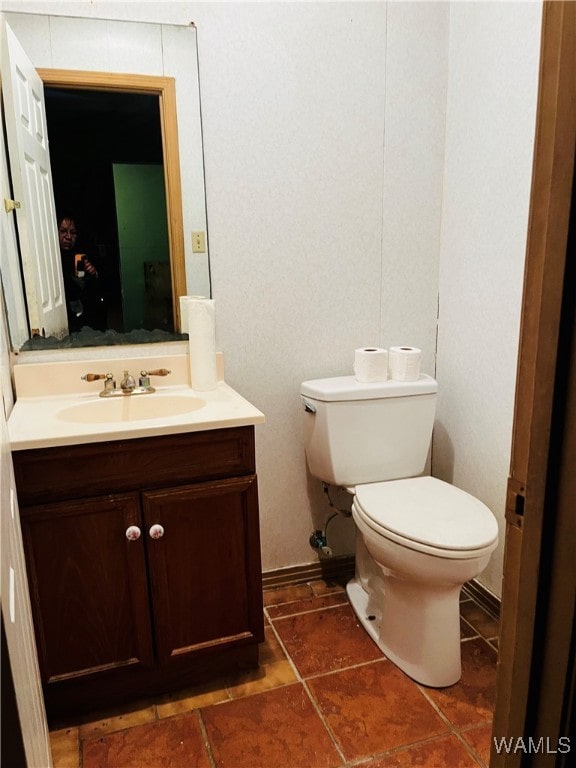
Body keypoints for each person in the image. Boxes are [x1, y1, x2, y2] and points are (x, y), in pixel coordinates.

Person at [57, 215, 107, 332]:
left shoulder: (85, 254)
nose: (68, 237)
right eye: (63, 231)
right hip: (64, 318)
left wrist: (94, 273)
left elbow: (103, 286)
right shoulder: (52, 256)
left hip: (88, 318)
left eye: (73, 233)